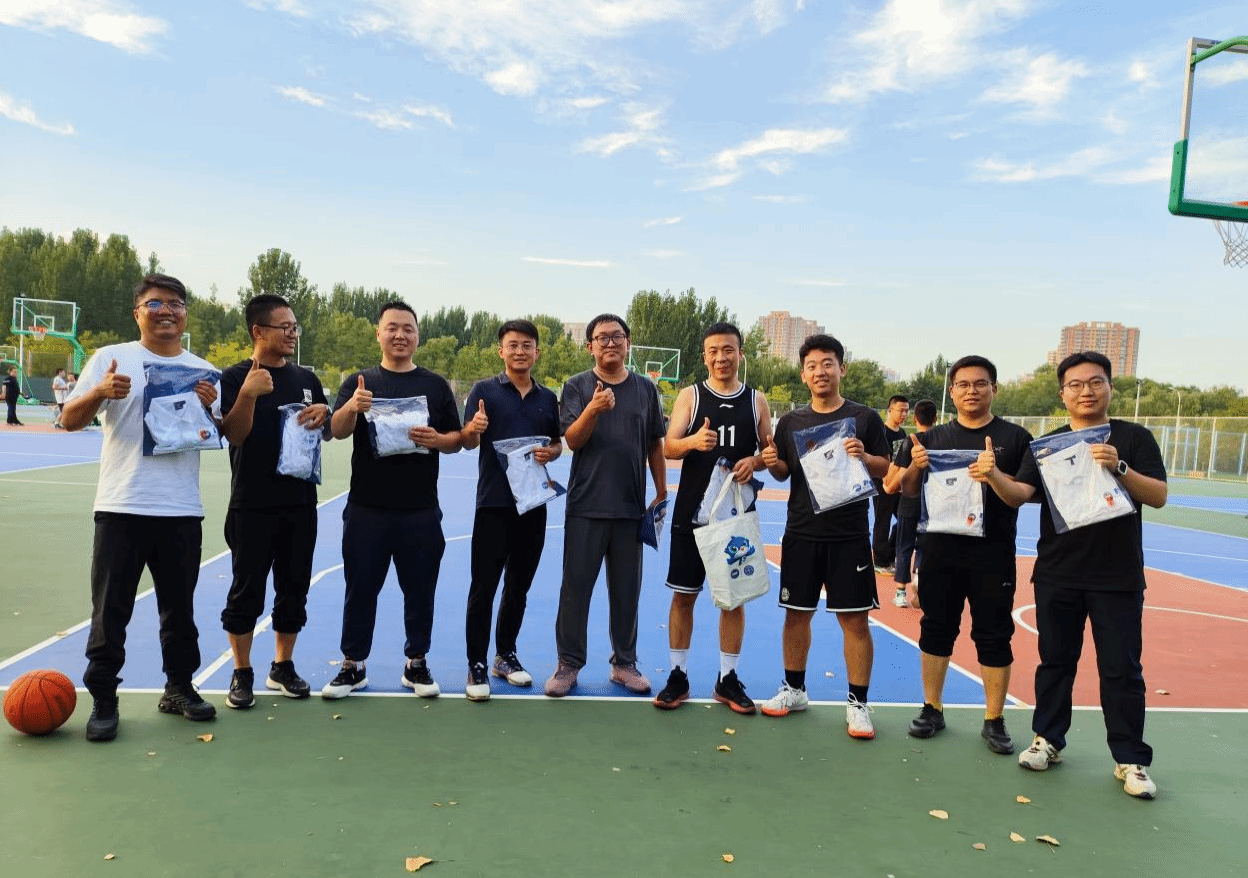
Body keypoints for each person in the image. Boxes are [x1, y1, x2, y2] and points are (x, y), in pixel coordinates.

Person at [991, 352, 1167, 799]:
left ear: (1110, 387)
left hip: (1118, 577)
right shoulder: (1047, 445)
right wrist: (992, 475)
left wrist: (1119, 467)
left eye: (1095, 382)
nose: (1086, 391)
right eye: (1075, 384)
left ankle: (1131, 759)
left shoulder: (1134, 437)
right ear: (1062, 393)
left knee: (1122, 669)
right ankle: (1047, 740)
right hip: (1058, 573)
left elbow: (1159, 495)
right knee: (1055, 662)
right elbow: (1019, 494)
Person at [61, 274, 220, 741]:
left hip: (181, 508)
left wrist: (211, 409)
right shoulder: (111, 358)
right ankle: (104, 699)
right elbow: (69, 419)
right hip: (122, 505)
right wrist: (99, 392)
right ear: (137, 313)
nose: (166, 310)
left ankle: (178, 688)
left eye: (176, 303)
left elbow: (220, 433)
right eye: (155, 303)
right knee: (110, 611)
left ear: (185, 313)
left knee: (179, 610)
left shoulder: (204, 371)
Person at [321, 301, 463, 700]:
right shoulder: (360, 382)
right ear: (379, 334)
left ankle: (416, 663)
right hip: (367, 507)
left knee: (420, 590)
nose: (400, 335)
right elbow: (336, 430)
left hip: (420, 509)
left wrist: (438, 439)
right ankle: (353, 665)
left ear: (418, 336)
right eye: (392, 328)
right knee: (360, 588)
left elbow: (456, 440)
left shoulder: (435, 386)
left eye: (408, 329)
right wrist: (352, 406)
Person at [895, 355, 1032, 755]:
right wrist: (915, 467)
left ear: (994, 389)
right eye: (963, 384)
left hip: (993, 553)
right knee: (936, 629)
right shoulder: (930, 438)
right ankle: (932, 708)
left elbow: (1020, 496)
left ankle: (994, 719)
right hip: (940, 551)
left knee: (994, 633)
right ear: (952, 391)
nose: (972, 391)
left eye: (980, 383)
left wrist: (993, 474)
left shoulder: (1015, 438)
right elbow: (904, 489)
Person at [757, 334, 890, 738]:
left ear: (841, 368)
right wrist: (771, 461)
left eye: (828, 363)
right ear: (803, 374)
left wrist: (864, 456)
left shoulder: (864, 418)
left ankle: (858, 703)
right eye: (812, 365)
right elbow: (783, 472)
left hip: (849, 535)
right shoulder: (792, 422)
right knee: (796, 615)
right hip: (801, 533)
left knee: (855, 621)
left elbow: (885, 468)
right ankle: (794, 689)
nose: (820, 371)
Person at [544, 313, 667, 697]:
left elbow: (655, 444)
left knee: (627, 591)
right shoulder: (577, 386)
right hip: (586, 505)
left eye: (617, 337)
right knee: (575, 590)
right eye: (602, 338)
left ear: (628, 343)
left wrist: (661, 491)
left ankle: (624, 664)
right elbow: (573, 440)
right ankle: (568, 664)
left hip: (630, 508)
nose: (610, 343)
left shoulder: (646, 389)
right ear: (590, 346)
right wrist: (594, 409)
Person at [218, 294, 330, 709]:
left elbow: (325, 429)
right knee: (246, 590)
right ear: (258, 331)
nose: (293, 334)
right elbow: (234, 434)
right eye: (285, 327)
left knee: (294, 588)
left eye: (295, 327)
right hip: (252, 504)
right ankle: (242, 670)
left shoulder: (306, 378)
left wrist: (325, 412)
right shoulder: (235, 376)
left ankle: (282, 665)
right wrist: (248, 394)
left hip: (300, 503)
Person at [654, 322, 772, 714]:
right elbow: (669, 447)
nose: (721, 357)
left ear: (740, 353)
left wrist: (754, 461)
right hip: (692, 513)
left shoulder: (756, 400)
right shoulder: (690, 396)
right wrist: (693, 441)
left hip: (735, 516)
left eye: (728, 350)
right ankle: (678, 675)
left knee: (732, 600)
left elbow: (770, 455)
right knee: (683, 595)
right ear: (705, 356)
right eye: (713, 351)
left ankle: (727, 678)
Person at [459, 319, 562, 702]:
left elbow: (556, 444)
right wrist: (474, 428)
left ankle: (505, 655)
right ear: (501, 351)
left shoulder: (547, 397)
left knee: (518, 587)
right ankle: (476, 663)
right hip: (493, 505)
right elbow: (468, 441)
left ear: (537, 352)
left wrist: (550, 452)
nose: (520, 351)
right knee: (483, 588)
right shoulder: (484, 391)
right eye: (513, 345)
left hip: (533, 504)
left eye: (527, 345)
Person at [883, 398, 936, 608]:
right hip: (931, 503)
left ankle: (900, 593)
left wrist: (889, 485)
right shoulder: (941, 441)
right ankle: (919, 580)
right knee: (924, 546)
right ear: (935, 419)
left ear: (915, 418)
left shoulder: (910, 442)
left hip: (908, 502)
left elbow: (900, 472)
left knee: (904, 546)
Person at [871, 395, 909, 572]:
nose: (904, 414)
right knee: (882, 521)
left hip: (898, 485)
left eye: (907, 411)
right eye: (901, 410)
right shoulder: (881, 432)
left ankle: (890, 554)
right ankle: (880, 561)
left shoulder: (902, 434)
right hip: (882, 484)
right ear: (890, 410)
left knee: (905, 518)